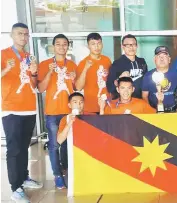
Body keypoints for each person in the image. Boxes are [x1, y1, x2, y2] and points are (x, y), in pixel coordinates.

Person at [1, 23, 43, 203]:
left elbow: (34, 85)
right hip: (11, 108)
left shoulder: (29, 57)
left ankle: (24, 177)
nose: (23, 37)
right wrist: (7, 69)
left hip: (29, 108)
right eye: (20, 34)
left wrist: (34, 73)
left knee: (25, 146)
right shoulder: (3, 54)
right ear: (12, 35)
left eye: (26, 34)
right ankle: (15, 188)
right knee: (14, 149)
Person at [38, 34, 77, 189]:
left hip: (69, 112)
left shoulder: (72, 64)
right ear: (53, 47)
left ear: (68, 46)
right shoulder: (45, 64)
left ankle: (66, 171)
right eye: (58, 44)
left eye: (64, 44)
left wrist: (74, 79)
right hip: (53, 112)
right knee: (54, 145)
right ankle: (57, 175)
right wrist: (49, 72)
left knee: (67, 144)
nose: (62, 47)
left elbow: (75, 90)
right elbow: (40, 89)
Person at [75, 33, 111, 114]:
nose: (96, 47)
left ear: (102, 44)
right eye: (93, 44)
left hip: (107, 106)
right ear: (88, 46)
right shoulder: (83, 63)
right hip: (91, 108)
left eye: (99, 43)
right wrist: (85, 68)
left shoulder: (107, 60)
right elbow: (78, 87)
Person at [142, 46, 177, 113]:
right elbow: (144, 96)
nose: (162, 59)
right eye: (159, 56)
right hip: (154, 111)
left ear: (169, 59)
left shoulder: (176, 74)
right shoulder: (148, 76)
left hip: (173, 111)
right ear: (154, 59)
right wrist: (150, 111)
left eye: (165, 56)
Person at [107, 34, 148, 99]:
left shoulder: (142, 61)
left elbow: (146, 82)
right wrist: (119, 79)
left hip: (141, 101)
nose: (131, 48)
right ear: (123, 47)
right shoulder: (117, 64)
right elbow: (110, 88)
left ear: (137, 46)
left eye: (133, 45)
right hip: (125, 103)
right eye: (128, 45)